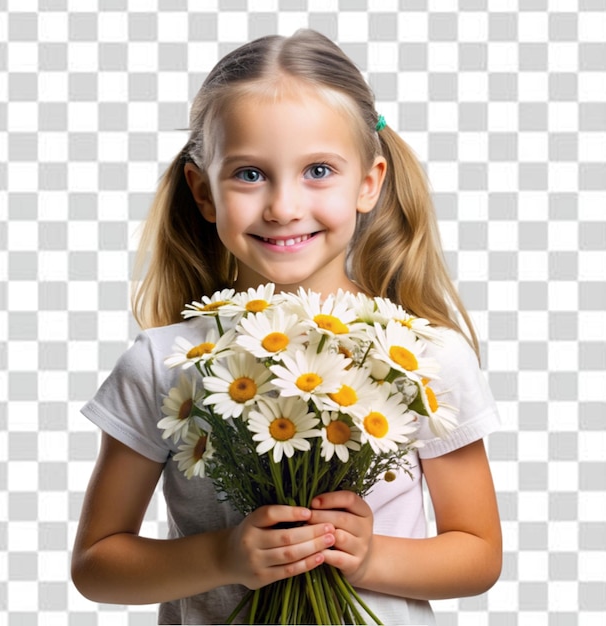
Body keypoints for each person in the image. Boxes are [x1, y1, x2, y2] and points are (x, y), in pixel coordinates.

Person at [71, 29, 502, 625]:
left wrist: (369, 558)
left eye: (318, 170)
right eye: (249, 175)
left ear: (369, 183)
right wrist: (224, 555)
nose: (282, 206)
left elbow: (478, 554)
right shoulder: (165, 361)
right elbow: (97, 563)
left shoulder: (423, 354)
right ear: (203, 191)